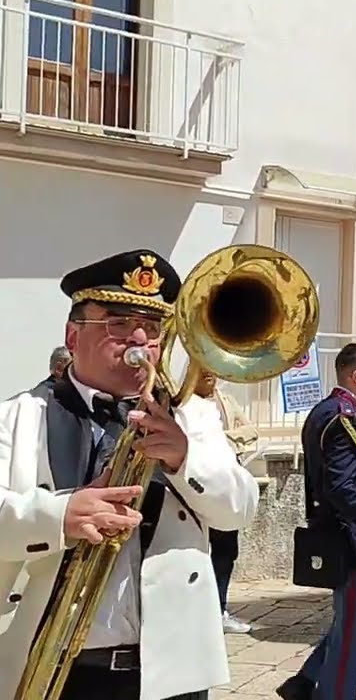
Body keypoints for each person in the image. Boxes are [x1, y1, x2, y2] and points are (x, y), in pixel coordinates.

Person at [0, 249, 260, 700]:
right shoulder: (20, 415)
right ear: (73, 335)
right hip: (57, 669)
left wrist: (185, 459)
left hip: (173, 672)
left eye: (153, 327)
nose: (140, 338)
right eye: (118, 324)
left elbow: (239, 511)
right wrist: (59, 515)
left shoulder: (193, 417)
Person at [277, 343, 356, 700]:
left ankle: (305, 680)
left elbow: (353, 473)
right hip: (349, 537)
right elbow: (343, 488)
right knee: (354, 626)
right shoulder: (341, 418)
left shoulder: (333, 410)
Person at [190, 369, 261, 634]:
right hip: (194, 485)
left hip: (224, 485)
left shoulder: (226, 400)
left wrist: (220, 439)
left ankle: (218, 609)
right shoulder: (184, 403)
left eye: (212, 373)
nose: (209, 376)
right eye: (203, 372)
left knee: (225, 551)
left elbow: (250, 430)